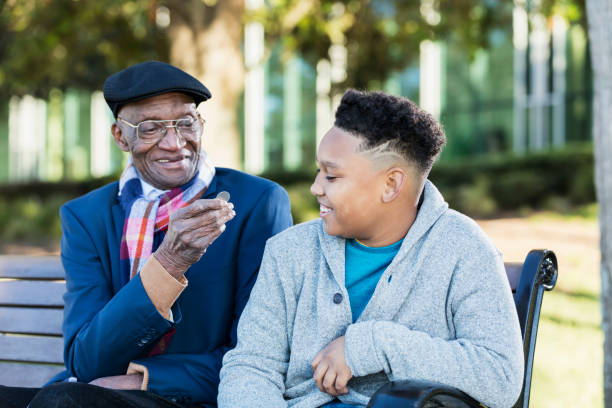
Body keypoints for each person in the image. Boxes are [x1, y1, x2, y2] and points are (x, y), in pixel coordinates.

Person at [0, 61, 292, 408]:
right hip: (92, 391)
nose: (174, 143)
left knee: (65, 401)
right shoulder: (86, 217)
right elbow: (86, 361)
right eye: (151, 128)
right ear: (120, 136)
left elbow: (261, 354)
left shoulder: (257, 202)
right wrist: (168, 263)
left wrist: (140, 380)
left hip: (191, 397)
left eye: (186, 123)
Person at [218, 89, 524, 408]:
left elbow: (499, 377)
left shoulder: (463, 249)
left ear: (390, 185)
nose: (316, 187)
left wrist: (373, 344)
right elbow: (251, 367)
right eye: (319, 171)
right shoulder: (289, 251)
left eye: (332, 176)